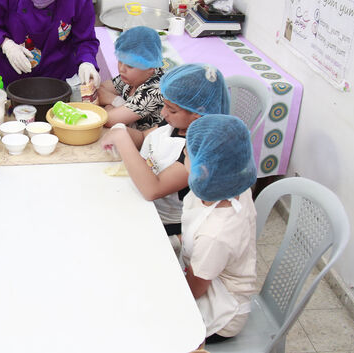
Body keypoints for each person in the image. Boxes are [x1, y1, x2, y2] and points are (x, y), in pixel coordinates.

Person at [100, 63, 230, 254]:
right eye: (165, 105)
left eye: (171, 109)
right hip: (141, 202)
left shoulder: (197, 152)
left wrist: (122, 139)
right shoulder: (177, 122)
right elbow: (145, 137)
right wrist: (122, 132)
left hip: (165, 223)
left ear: (197, 115)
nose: (163, 113)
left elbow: (154, 189)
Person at [180, 115, 258, 343]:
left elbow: (195, 290)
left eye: (186, 155)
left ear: (203, 171)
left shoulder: (217, 233)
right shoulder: (232, 184)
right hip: (206, 272)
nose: (184, 156)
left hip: (222, 308)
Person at [97, 26, 165, 131]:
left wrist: (112, 103)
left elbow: (108, 120)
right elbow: (99, 90)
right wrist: (116, 102)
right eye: (120, 61)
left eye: (130, 66)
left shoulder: (154, 89)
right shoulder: (130, 77)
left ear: (150, 67)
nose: (122, 69)